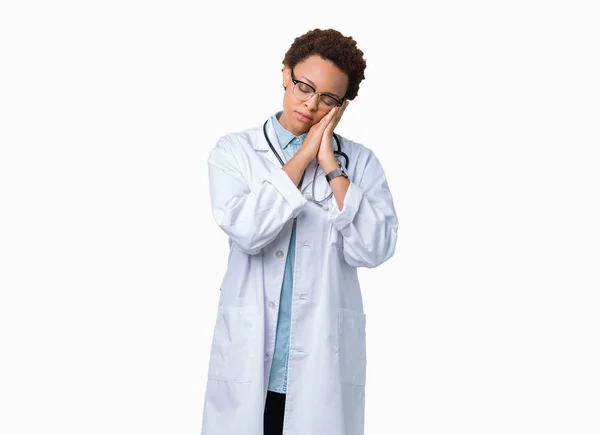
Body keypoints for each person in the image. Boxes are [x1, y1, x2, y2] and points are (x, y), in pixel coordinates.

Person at [201, 28, 399, 435]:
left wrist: (330, 166)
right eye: (304, 87)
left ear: (342, 105)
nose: (311, 105)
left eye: (328, 98)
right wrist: (306, 152)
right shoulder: (234, 152)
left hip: (321, 365)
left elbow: (375, 248)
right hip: (252, 359)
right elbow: (247, 230)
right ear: (285, 74)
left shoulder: (358, 164)